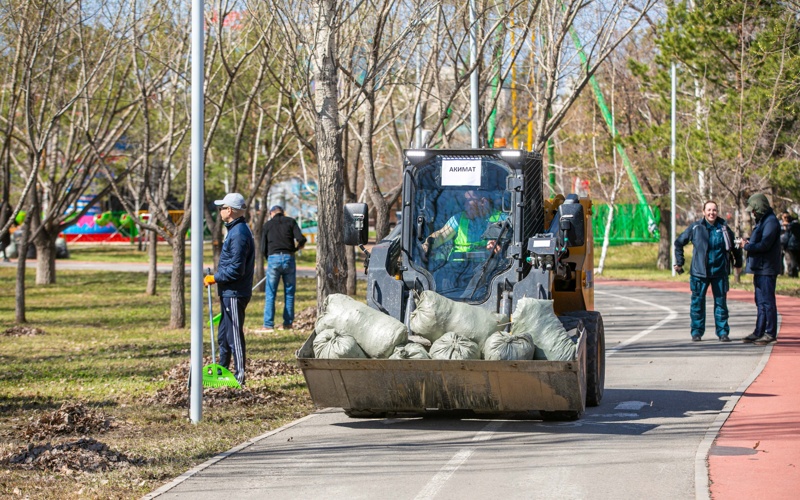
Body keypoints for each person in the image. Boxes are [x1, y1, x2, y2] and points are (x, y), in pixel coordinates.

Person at [203, 193, 255, 385]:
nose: (220, 211)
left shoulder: (239, 233)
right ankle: (221, 372)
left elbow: (236, 269)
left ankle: (239, 377)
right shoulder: (234, 231)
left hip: (235, 292)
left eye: (222, 208)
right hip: (228, 292)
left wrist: (214, 277)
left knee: (233, 335)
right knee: (224, 336)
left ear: (230, 210)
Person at [674, 201, 743, 342]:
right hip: (699, 273)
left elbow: (735, 245)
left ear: (717, 212)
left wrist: (738, 263)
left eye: (714, 210)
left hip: (720, 273)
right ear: (703, 212)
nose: (712, 213)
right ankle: (697, 332)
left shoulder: (724, 228)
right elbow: (679, 242)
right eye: (709, 210)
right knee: (697, 304)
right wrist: (680, 263)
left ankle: (723, 332)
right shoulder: (696, 228)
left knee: (721, 304)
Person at [421, 190, 507, 297]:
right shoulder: (458, 218)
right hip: (455, 269)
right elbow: (441, 235)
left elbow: (509, 244)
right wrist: (426, 246)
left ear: (482, 202)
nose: (464, 205)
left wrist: (499, 246)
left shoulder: (501, 218)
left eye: (468, 201)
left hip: (485, 269)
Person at [741, 193, 782, 345]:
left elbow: (765, 245)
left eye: (754, 210)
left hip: (767, 268)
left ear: (761, 207)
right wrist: (749, 241)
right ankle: (759, 331)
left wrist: (747, 246)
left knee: (767, 301)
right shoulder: (762, 221)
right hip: (760, 268)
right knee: (760, 301)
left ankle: (770, 333)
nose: (752, 213)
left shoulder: (770, 222)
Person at [257, 205, 306, 333]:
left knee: (270, 293)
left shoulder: (267, 225)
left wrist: (269, 258)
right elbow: (301, 238)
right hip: (289, 258)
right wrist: (296, 249)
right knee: (289, 293)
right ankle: (288, 323)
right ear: (282, 212)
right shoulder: (291, 222)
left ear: (271, 213)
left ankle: (268, 325)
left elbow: (263, 247)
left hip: (273, 259)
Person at [779, 211, 800, 278]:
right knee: (792, 261)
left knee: (792, 261)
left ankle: (792, 274)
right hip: (791, 245)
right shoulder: (781, 224)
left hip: (791, 246)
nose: (786, 218)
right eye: (785, 217)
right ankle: (792, 274)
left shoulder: (792, 225)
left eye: (787, 217)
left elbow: (787, 236)